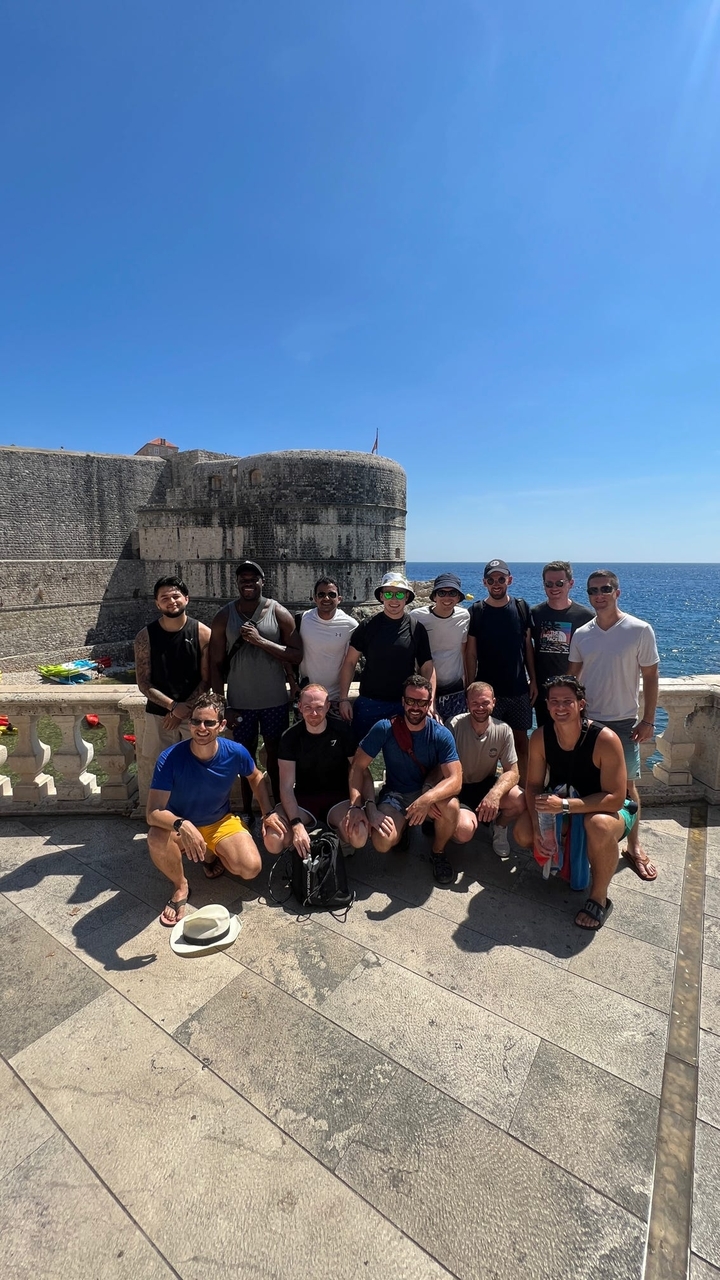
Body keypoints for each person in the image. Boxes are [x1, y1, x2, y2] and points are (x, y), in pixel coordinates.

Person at [514, 676, 634, 931]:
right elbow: (533, 786)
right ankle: (571, 847)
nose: (560, 707)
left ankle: (599, 897)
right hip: (563, 802)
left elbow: (615, 798)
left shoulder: (605, 739)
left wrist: (566, 806)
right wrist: (538, 830)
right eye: (554, 701)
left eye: (567, 701)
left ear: (581, 704)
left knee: (598, 826)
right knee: (522, 833)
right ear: (546, 706)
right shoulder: (541, 737)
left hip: (608, 809)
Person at [146, 692, 274, 926]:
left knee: (250, 868)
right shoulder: (170, 758)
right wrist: (182, 824)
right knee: (155, 836)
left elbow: (255, 777)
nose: (201, 728)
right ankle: (181, 886)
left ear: (222, 725)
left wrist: (267, 813)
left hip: (220, 821)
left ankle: (209, 853)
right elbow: (153, 812)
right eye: (196, 721)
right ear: (190, 722)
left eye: (209, 722)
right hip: (181, 823)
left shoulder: (235, 751)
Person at [568, 569, 660, 882]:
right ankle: (586, 840)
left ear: (617, 592)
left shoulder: (639, 629)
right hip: (588, 723)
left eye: (605, 588)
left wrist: (648, 719)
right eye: (593, 590)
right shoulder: (582, 634)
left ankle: (633, 846)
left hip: (623, 722)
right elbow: (572, 680)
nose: (599, 595)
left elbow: (650, 676)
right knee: (584, 781)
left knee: (628, 788)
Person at [341, 675, 462, 885]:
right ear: (403, 701)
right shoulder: (385, 728)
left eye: (422, 702)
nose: (416, 707)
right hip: (396, 795)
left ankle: (438, 851)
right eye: (411, 701)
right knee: (381, 842)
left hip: (427, 793)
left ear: (429, 702)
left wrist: (427, 799)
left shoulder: (441, 734)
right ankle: (403, 827)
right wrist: (358, 805)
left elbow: (456, 779)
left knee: (451, 807)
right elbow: (358, 767)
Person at [209, 560, 302, 806]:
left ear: (262, 582)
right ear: (237, 583)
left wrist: (261, 641)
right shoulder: (223, 617)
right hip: (240, 703)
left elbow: (296, 654)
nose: (248, 583)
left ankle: (276, 805)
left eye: (253, 579)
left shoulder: (278, 612)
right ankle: (250, 809)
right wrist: (222, 706)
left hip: (275, 701)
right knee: (244, 757)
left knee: (275, 753)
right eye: (243, 580)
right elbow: (215, 666)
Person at [262, 683, 358, 859]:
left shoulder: (342, 731)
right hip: (303, 798)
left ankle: (338, 835)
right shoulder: (290, 737)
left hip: (338, 797)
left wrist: (357, 806)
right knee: (274, 840)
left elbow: (358, 771)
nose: (314, 713)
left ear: (328, 706)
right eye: (308, 707)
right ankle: (299, 836)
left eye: (319, 708)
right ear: (299, 707)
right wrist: (296, 824)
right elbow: (286, 786)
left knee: (358, 835)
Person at [464, 559, 537, 784]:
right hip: (487, 694)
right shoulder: (477, 610)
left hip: (517, 690)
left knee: (521, 743)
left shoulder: (521, 608)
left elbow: (527, 648)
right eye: (491, 580)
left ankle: (524, 790)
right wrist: (470, 687)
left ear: (509, 580)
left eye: (501, 579)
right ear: (484, 582)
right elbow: (471, 653)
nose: (496, 583)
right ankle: (487, 790)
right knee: (486, 744)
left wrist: (533, 680)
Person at [338, 573, 434, 740]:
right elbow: (350, 662)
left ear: (406, 597)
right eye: (389, 593)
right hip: (370, 702)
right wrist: (344, 699)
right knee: (359, 756)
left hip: (404, 704)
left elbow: (427, 667)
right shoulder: (367, 626)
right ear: (382, 597)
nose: (394, 599)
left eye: (399, 594)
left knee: (402, 758)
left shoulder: (416, 628)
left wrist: (429, 702)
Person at [134, 576, 210, 764]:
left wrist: (183, 710)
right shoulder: (145, 637)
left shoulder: (203, 633)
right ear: (157, 604)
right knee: (162, 773)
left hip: (194, 717)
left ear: (186, 598)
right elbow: (143, 682)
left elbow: (207, 679)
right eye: (164, 598)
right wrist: (173, 707)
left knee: (197, 770)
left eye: (176, 596)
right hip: (159, 717)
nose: (171, 602)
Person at [449, 682, 525, 859]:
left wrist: (495, 795)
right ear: (467, 704)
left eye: (485, 703)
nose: (480, 708)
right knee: (463, 833)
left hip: (485, 784)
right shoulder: (454, 725)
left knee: (520, 799)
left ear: (494, 702)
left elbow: (513, 772)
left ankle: (499, 826)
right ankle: (462, 820)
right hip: (459, 786)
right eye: (475, 703)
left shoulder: (503, 729)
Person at [530, 562, 594, 726]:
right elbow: (527, 650)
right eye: (549, 584)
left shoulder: (585, 616)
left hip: (574, 692)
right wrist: (533, 681)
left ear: (570, 583)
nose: (554, 587)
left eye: (560, 583)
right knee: (547, 739)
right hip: (544, 691)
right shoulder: (535, 614)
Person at [410, 572, 470, 722]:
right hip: (425, 691)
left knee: (455, 739)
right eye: (442, 592)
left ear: (458, 597)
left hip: (455, 691)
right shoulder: (417, 617)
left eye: (452, 593)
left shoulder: (464, 616)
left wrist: (468, 687)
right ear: (434, 596)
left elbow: (464, 652)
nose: (447, 597)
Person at [297, 577, 358, 712]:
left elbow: (352, 662)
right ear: (314, 598)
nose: (326, 598)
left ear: (339, 599)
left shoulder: (351, 625)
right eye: (321, 594)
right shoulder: (302, 620)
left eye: (331, 594)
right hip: (308, 697)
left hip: (336, 698)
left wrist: (344, 698)